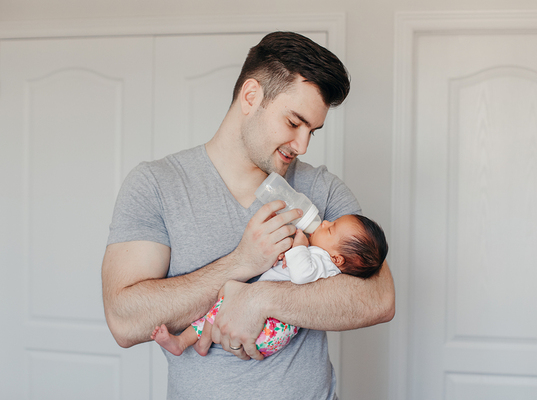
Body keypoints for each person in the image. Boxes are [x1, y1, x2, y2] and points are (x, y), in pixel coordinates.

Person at [101, 31, 395, 399]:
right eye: (293, 123)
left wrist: (260, 300)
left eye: (312, 132)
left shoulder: (321, 188)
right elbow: (124, 321)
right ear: (251, 96)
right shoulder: (157, 185)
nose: (302, 145)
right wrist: (241, 262)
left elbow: (380, 298)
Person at [151, 214, 388, 358]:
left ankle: (183, 342)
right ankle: (197, 342)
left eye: (331, 228)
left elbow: (302, 274)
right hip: (271, 331)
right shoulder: (325, 261)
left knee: (222, 302)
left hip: (272, 328)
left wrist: (299, 245)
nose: (324, 222)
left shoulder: (324, 261)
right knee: (225, 299)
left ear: (338, 259)